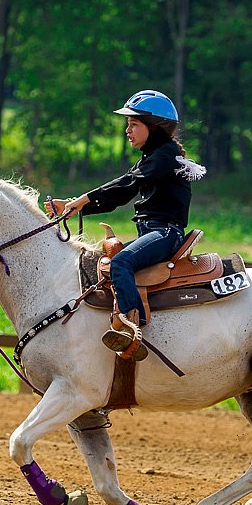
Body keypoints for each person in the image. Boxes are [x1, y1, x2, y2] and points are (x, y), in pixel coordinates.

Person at [46, 89, 205, 360]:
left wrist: (83, 199)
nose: (127, 130)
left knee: (120, 263)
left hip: (165, 233)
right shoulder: (154, 157)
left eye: (134, 124)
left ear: (153, 127)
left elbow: (127, 184)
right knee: (103, 264)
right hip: (153, 232)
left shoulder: (165, 156)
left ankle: (133, 328)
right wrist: (76, 204)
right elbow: (120, 194)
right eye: (127, 124)